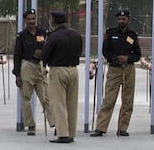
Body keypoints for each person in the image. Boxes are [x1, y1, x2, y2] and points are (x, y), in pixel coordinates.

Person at [90, 9, 141, 137]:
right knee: (109, 99)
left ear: (128, 20)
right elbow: (105, 51)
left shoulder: (133, 35)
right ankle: (101, 128)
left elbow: (138, 55)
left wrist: (127, 58)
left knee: (128, 100)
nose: (121, 21)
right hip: (114, 69)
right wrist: (115, 59)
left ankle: (122, 128)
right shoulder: (111, 33)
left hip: (128, 69)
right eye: (119, 19)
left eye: (124, 19)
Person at [41, 11, 83, 143]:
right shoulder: (76, 34)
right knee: (72, 104)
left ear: (53, 21)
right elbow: (80, 51)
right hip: (73, 70)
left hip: (58, 70)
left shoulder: (54, 36)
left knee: (58, 103)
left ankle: (62, 134)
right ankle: (71, 133)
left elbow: (45, 55)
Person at [12, 9, 54, 135]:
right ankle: (30, 125)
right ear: (25, 20)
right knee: (25, 98)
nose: (31, 21)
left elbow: (50, 48)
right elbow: (17, 55)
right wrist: (17, 74)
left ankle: (54, 123)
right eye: (29, 19)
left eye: (33, 19)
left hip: (40, 67)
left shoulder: (43, 33)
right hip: (27, 66)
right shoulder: (21, 36)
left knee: (46, 97)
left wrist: (44, 55)